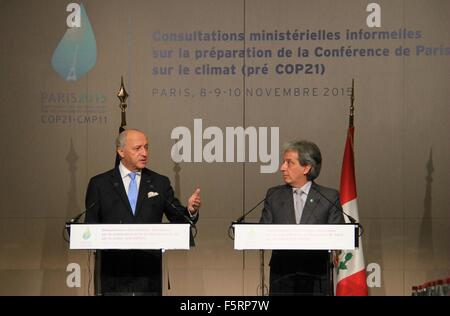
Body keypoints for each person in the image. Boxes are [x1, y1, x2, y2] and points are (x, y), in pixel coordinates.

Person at [85, 129, 201, 295]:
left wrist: (190, 210)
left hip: (150, 276)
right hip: (113, 275)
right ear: (121, 151)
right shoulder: (100, 184)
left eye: (146, 147)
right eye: (137, 148)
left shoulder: (159, 183)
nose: (144, 153)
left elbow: (179, 218)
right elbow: (91, 224)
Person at [259, 140, 344, 296]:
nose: (282, 167)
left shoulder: (329, 197)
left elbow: (338, 237)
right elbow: (263, 233)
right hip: (282, 275)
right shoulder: (274, 195)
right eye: (283, 162)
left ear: (306, 167)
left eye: (289, 163)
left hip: (316, 275)